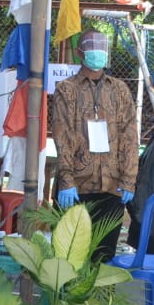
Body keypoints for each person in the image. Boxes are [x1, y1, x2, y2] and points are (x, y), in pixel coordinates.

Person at [48, 30, 137, 263]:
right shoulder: (66, 89)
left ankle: (101, 299)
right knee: (70, 257)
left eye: (101, 47)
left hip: (112, 185)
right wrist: (66, 180)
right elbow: (62, 136)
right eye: (91, 46)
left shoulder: (119, 89)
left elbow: (129, 135)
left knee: (103, 256)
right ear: (80, 53)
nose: (97, 51)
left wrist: (129, 178)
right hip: (77, 186)